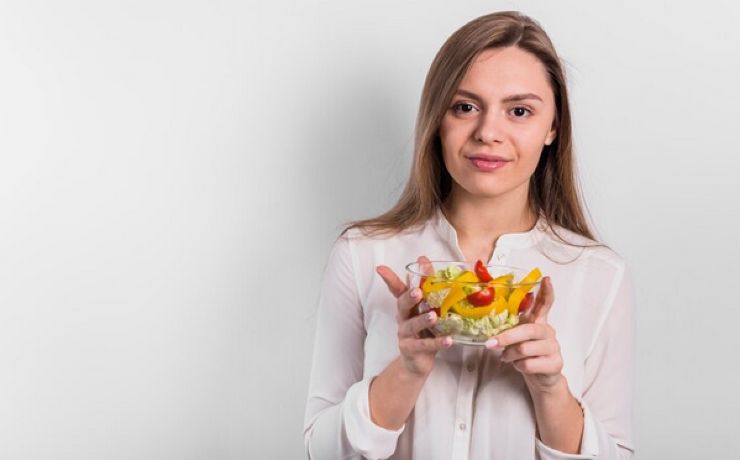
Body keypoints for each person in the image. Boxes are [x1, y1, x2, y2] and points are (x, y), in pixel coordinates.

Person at [304, 11, 634, 460]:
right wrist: (408, 368)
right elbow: (319, 452)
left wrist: (550, 387)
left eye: (519, 111)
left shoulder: (599, 274)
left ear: (552, 127)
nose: (488, 133)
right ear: (438, 119)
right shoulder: (363, 254)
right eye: (465, 107)